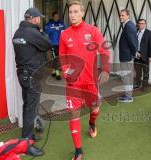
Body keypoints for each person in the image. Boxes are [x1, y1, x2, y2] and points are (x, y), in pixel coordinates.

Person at [59, 1, 110, 160]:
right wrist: (65, 72)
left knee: (94, 109)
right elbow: (62, 57)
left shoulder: (93, 31)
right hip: (73, 83)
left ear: (82, 13)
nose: (72, 15)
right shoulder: (64, 34)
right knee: (73, 114)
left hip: (90, 81)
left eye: (75, 12)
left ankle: (92, 123)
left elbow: (104, 51)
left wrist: (106, 70)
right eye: (70, 12)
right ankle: (78, 151)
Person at [13, 8, 51, 156]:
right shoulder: (33, 33)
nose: (39, 20)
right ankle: (26, 144)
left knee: (27, 105)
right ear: (34, 19)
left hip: (22, 75)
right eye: (39, 18)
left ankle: (26, 136)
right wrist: (41, 32)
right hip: (32, 75)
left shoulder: (18, 32)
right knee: (30, 108)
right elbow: (48, 44)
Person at [118, 9, 138, 102]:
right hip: (128, 55)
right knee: (128, 75)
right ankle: (128, 94)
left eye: (123, 15)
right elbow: (135, 41)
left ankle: (128, 96)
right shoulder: (131, 25)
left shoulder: (128, 26)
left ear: (128, 16)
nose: (121, 17)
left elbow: (131, 42)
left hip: (126, 56)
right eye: (120, 15)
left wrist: (134, 53)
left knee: (126, 76)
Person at [133, 19, 151, 90]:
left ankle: (144, 86)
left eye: (142, 23)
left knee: (145, 71)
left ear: (145, 24)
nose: (141, 25)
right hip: (136, 54)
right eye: (139, 23)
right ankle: (137, 84)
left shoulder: (149, 33)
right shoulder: (135, 32)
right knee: (137, 71)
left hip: (145, 55)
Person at [45, 11, 66, 80]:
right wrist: (53, 29)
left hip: (60, 44)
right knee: (55, 58)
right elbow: (46, 33)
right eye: (55, 16)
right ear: (53, 17)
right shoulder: (49, 24)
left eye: (57, 16)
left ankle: (54, 71)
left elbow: (65, 32)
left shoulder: (61, 24)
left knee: (58, 58)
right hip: (53, 44)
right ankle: (57, 74)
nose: (57, 18)